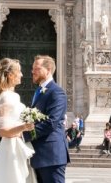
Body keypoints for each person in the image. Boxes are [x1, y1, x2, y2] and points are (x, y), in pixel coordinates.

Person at [0, 57, 37, 183]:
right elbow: (3, 131)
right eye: (19, 71)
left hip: (14, 147)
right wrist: (25, 127)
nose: (22, 74)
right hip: (11, 149)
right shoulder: (6, 97)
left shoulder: (8, 96)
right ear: (10, 75)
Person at [29, 55, 70, 183]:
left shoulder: (57, 92)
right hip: (40, 155)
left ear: (48, 69)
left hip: (51, 155)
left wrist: (23, 134)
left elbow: (51, 122)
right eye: (32, 68)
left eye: (36, 68)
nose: (32, 71)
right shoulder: (39, 91)